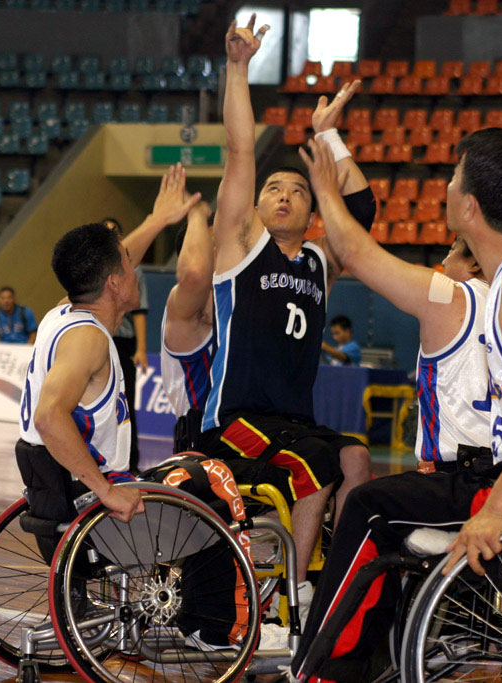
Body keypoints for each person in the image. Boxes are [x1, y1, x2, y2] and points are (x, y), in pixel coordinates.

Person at [291, 129, 502, 682]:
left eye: (454, 175)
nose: (447, 183)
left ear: (470, 207)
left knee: (367, 508)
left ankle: (324, 671)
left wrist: (495, 509)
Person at [202, 16, 376, 612]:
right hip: (235, 419)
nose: (284, 194)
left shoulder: (320, 263)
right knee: (316, 466)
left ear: (309, 211)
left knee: (356, 459)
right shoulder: (239, 249)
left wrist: (328, 139)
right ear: (254, 207)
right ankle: (293, 594)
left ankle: (342, 576)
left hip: (290, 421)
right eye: (274, 188)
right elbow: (239, 149)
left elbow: (362, 206)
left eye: (298, 190)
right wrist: (238, 68)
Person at [15, 163, 200, 558]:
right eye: (128, 265)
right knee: (207, 506)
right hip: (90, 500)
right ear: (114, 283)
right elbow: (49, 417)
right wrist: (106, 491)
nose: (135, 269)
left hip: (61, 487)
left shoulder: (63, 310)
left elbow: (110, 262)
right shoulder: (87, 340)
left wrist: (157, 220)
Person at [161, 200, 216, 451]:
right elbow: (195, 273)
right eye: (214, 245)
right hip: (201, 434)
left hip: (240, 428)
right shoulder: (192, 301)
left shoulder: (229, 295)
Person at [104, 215, 150, 473]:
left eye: (115, 233)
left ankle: (130, 464)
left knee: (125, 403)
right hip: (100, 340)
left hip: (123, 344)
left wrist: (141, 348)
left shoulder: (136, 269)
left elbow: (140, 311)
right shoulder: (94, 269)